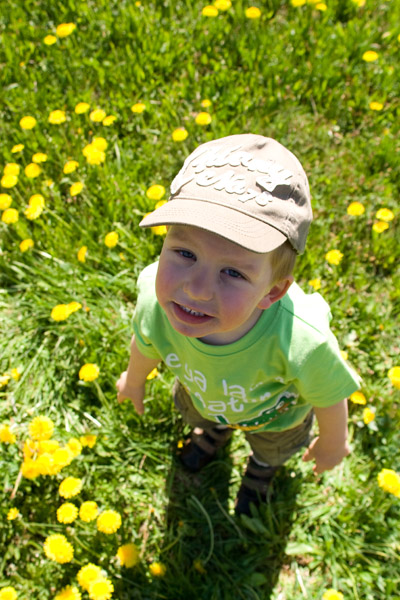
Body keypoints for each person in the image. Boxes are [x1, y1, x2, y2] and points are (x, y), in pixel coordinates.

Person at [116, 134, 361, 516]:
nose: (195, 290)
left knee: (273, 449)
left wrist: (332, 442)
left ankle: (261, 469)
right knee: (199, 413)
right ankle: (216, 430)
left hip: (276, 419)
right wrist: (133, 381)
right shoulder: (154, 298)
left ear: (273, 291)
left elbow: (329, 395)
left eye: (232, 272)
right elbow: (145, 343)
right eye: (184, 253)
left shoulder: (300, 338)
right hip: (202, 395)